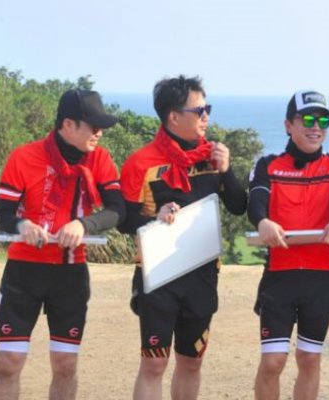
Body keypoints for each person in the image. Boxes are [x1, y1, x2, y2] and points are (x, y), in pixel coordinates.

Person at [118, 75, 247, 400]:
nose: (206, 117)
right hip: (158, 275)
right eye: (199, 110)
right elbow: (123, 220)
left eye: (208, 109)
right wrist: (155, 218)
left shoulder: (212, 155)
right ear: (173, 116)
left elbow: (238, 206)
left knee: (191, 362)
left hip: (202, 274)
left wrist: (227, 170)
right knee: (154, 365)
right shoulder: (140, 162)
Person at [0, 89, 124, 399]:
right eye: (93, 126)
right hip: (23, 272)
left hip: (70, 273)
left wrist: (84, 224)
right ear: (68, 124)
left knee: (65, 365)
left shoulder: (100, 158)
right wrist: (22, 225)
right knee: (9, 363)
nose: (99, 133)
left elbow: (118, 210)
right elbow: (3, 214)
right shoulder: (24, 156)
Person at [247, 89, 329, 400]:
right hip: (279, 277)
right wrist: (262, 222)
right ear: (288, 125)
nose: (315, 126)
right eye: (307, 119)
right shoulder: (268, 164)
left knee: (309, 359)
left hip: (320, 279)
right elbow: (256, 200)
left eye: (323, 120)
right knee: (273, 362)